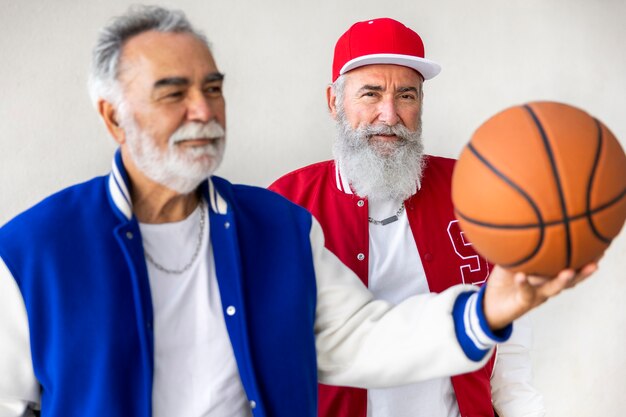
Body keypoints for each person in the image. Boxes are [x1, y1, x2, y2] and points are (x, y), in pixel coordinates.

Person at [0, 7, 594, 417]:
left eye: (213, 88)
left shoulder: (274, 229)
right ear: (113, 117)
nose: (202, 110)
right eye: (172, 92)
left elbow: (364, 337)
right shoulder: (31, 253)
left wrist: (497, 306)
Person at [270, 18, 547, 417]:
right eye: (370, 93)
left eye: (406, 95)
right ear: (334, 102)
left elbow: (511, 355)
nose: (389, 114)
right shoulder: (284, 207)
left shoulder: (475, 192)